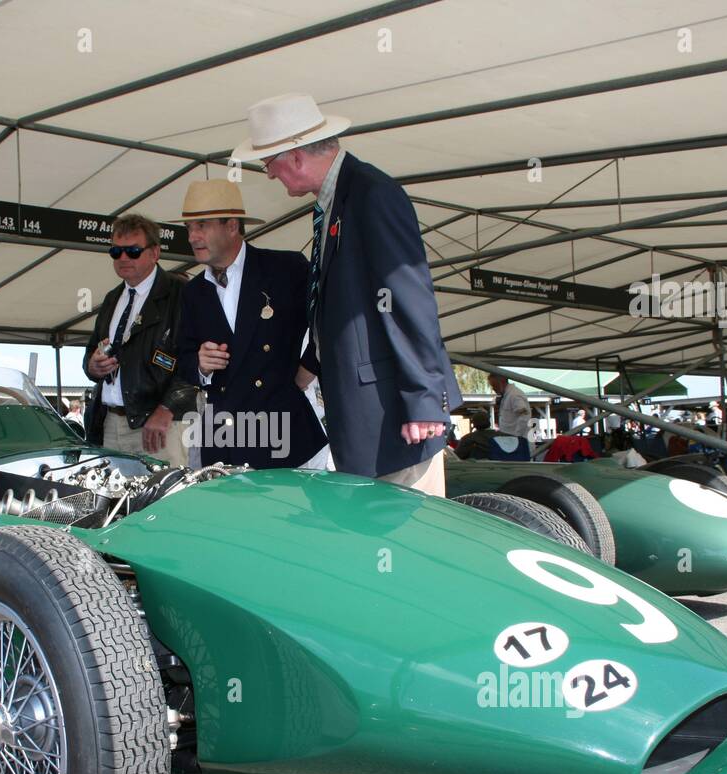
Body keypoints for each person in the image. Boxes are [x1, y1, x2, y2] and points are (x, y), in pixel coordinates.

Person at [233, 93, 459, 494]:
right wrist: (304, 371)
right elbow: (339, 311)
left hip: (396, 422)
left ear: (296, 157)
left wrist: (423, 400)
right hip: (365, 423)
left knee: (409, 542)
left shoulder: (372, 195)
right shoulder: (333, 202)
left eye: (269, 164)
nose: (270, 175)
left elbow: (410, 299)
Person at [174, 180, 326, 469]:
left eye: (202, 225)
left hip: (286, 437)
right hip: (224, 441)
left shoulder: (286, 269)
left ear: (232, 226)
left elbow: (327, 321)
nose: (193, 237)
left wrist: (308, 369)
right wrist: (200, 364)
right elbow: (182, 357)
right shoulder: (193, 292)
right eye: (189, 228)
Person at [81, 213, 196, 466]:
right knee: (118, 504)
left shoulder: (182, 294)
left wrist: (166, 409)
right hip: (109, 423)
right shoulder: (112, 299)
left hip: (161, 426)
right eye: (116, 251)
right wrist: (92, 365)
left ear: (155, 253)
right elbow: (91, 352)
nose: (123, 258)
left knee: (166, 502)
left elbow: (197, 361)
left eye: (133, 251)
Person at [489, 373, 532, 447]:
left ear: (501, 382)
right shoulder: (507, 395)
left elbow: (524, 417)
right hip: (512, 443)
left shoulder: (514, 395)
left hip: (519, 444)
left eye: (494, 385)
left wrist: (516, 437)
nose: (493, 388)